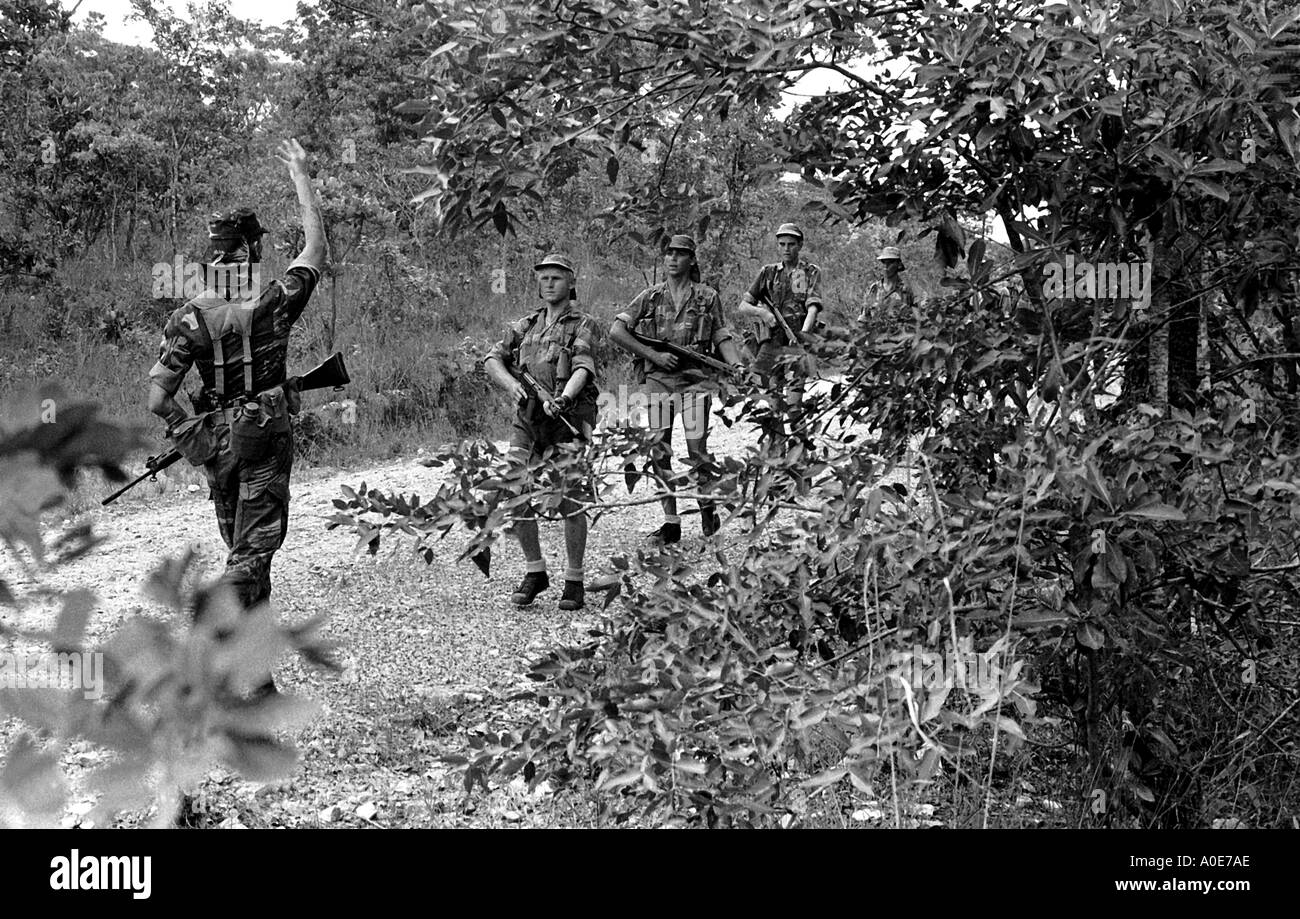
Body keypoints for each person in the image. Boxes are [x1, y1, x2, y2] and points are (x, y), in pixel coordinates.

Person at [146, 138, 325, 696]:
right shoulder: (274, 299)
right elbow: (316, 247)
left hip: (214, 446)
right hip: (263, 440)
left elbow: (158, 398)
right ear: (248, 251)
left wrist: (192, 436)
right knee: (253, 556)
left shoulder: (189, 316)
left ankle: (257, 675)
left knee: (248, 553)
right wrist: (301, 177)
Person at [483, 253, 600, 611]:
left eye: (556, 278)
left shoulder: (583, 323)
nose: (549, 283)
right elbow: (492, 359)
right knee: (514, 489)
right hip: (528, 420)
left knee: (568, 497)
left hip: (567, 418)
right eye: (543, 278)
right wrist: (510, 386)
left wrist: (564, 398)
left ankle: (574, 579)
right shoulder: (525, 325)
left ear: (570, 283)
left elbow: (583, 367)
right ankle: (535, 571)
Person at [610, 234, 745, 545]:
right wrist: (654, 355)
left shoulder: (707, 296)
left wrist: (735, 365)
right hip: (658, 381)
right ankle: (671, 522)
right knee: (659, 450)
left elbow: (721, 335)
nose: (672, 258)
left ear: (691, 259)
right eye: (668, 253)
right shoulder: (650, 296)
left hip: (696, 382)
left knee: (697, 450)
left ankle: (707, 507)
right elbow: (616, 330)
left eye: (680, 254)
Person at [736, 223, 824, 446]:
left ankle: (800, 452)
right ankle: (778, 458)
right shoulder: (767, 273)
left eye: (791, 244)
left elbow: (812, 306)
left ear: (800, 245)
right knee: (775, 406)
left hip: (797, 345)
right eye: (782, 244)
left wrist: (802, 337)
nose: (787, 249)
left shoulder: (807, 272)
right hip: (772, 346)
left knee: (794, 408)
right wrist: (763, 314)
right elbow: (744, 305)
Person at [860, 246, 919, 328]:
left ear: (898, 264)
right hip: (876, 335)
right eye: (884, 262)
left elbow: (918, 316)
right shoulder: (873, 289)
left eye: (890, 262)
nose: (886, 266)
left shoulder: (907, 289)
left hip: (900, 335)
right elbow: (864, 318)